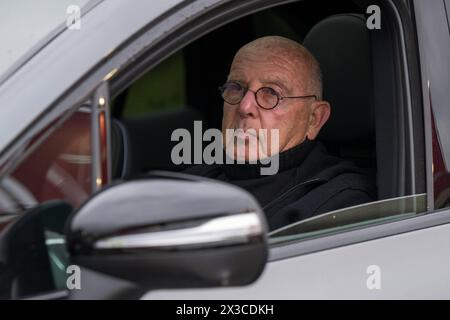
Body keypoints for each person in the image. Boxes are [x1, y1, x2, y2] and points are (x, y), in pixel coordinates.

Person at [185, 36, 375, 231]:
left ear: (314, 119)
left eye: (272, 93)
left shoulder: (337, 203)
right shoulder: (195, 179)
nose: (244, 106)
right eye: (236, 88)